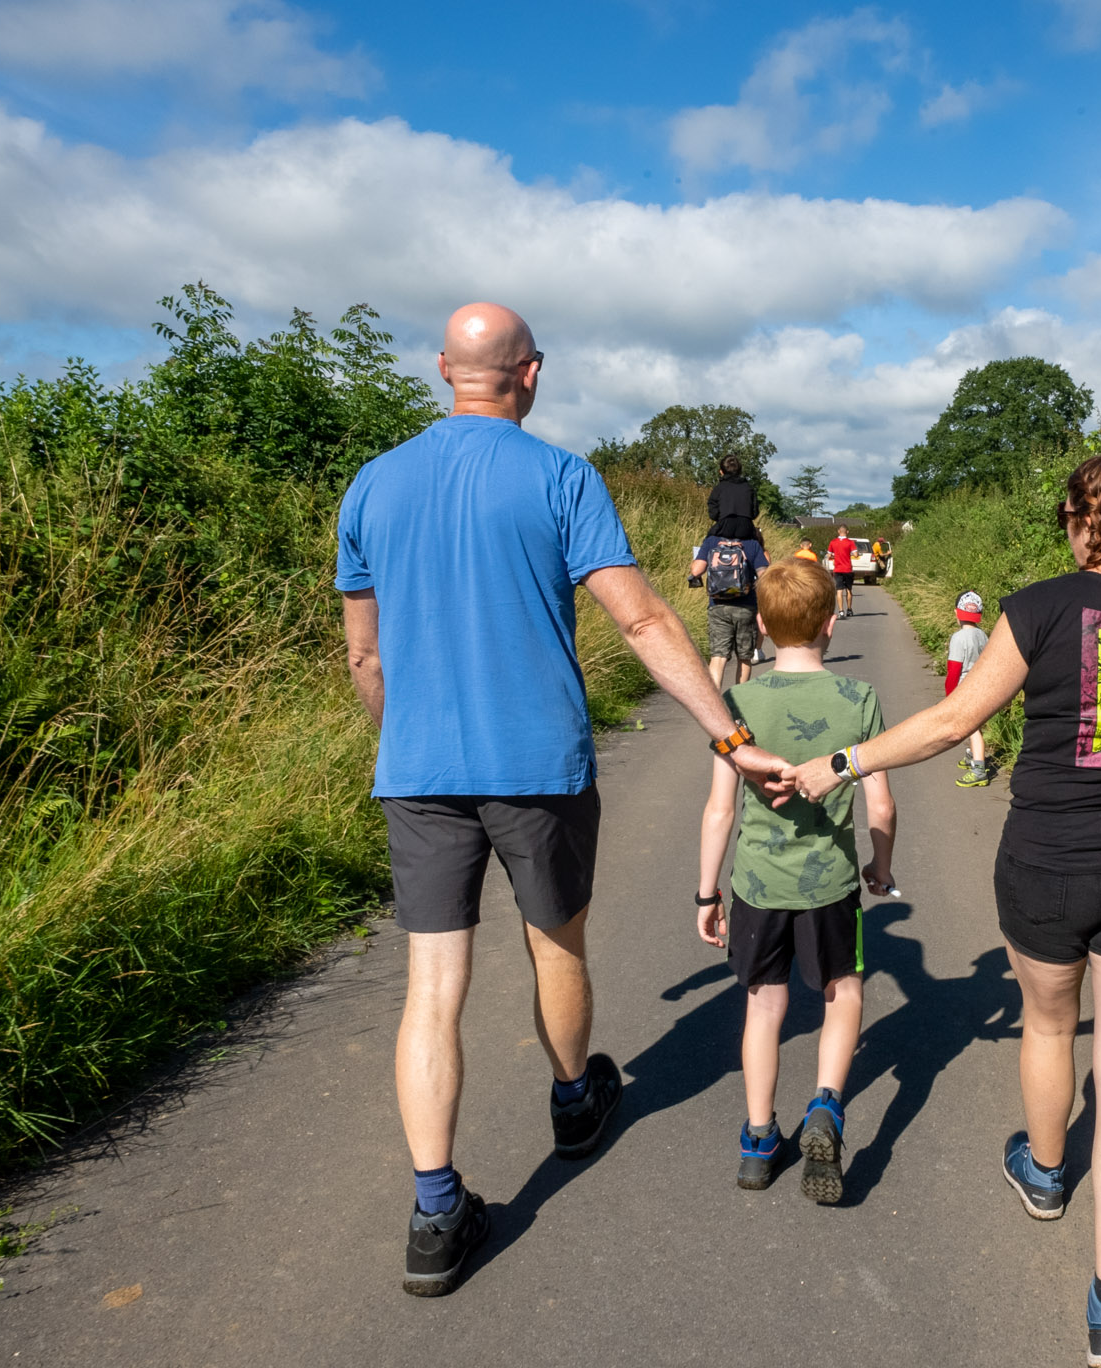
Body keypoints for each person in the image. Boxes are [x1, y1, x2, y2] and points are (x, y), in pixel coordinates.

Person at [336, 302, 793, 1298]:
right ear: (529, 374)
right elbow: (638, 618)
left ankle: (433, 1209)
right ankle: (573, 1099)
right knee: (556, 945)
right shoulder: (556, 477)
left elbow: (364, 655)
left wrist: (404, 737)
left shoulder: (370, 486)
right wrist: (729, 733)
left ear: (440, 370)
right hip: (537, 765)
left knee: (431, 986)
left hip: (418, 771)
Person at [789, 453, 1101, 1368]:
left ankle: (1044, 1172)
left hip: (1048, 863)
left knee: (1046, 1021)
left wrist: (842, 764)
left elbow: (953, 724)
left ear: (1081, 518)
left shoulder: (1042, 606)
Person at [695, 559, 897, 1203]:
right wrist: (881, 867)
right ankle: (827, 1107)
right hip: (830, 885)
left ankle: (759, 1140)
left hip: (757, 886)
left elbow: (720, 808)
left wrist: (708, 891)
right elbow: (883, 805)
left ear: (760, 624)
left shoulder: (739, 702)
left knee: (764, 1004)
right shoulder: (858, 699)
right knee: (843, 990)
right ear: (831, 623)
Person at [689, 528, 771, 686]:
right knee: (744, 657)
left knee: (718, 657)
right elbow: (765, 577)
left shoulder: (711, 541)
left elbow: (696, 570)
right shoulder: (752, 543)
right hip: (746, 607)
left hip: (718, 606)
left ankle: (715, 705)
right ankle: (739, 699)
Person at [948, 590, 992, 788]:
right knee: (976, 725)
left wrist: (949, 696)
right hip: (983, 686)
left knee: (972, 729)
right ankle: (972, 755)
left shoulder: (958, 638)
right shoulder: (983, 635)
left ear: (957, 613)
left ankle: (979, 769)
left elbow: (954, 670)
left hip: (966, 689)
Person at [706, 453, 761, 542]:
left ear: (721, 472)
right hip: (746, 530)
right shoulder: (749, 488)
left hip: (724, 528)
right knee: (758, 546)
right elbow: (754, 513)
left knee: (706, 545)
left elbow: (713, 514)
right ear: (740, 471)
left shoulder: (718, 489)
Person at [826, 524, 858, 618]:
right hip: (847, 568)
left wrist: (833, 556)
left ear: (838, 531)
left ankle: (841, 611)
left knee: (839, 591)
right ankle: (849, 609)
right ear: (847, 532)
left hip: (838, 569)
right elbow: (855, 554)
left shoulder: (833, 542)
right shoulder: (850, 542)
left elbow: (829, 555)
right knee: (849, 590)